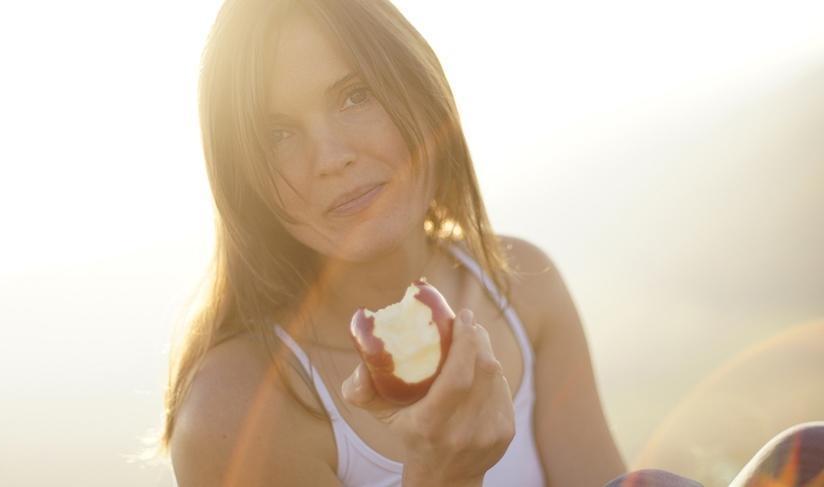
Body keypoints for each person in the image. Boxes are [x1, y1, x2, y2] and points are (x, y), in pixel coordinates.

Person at [158, 1, 824, 486]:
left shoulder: (524, 287)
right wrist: (440, 476)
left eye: (354, 94)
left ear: (419, 91)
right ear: (243, 181)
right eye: (277, 134)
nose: (329, 155)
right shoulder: (238, 409)